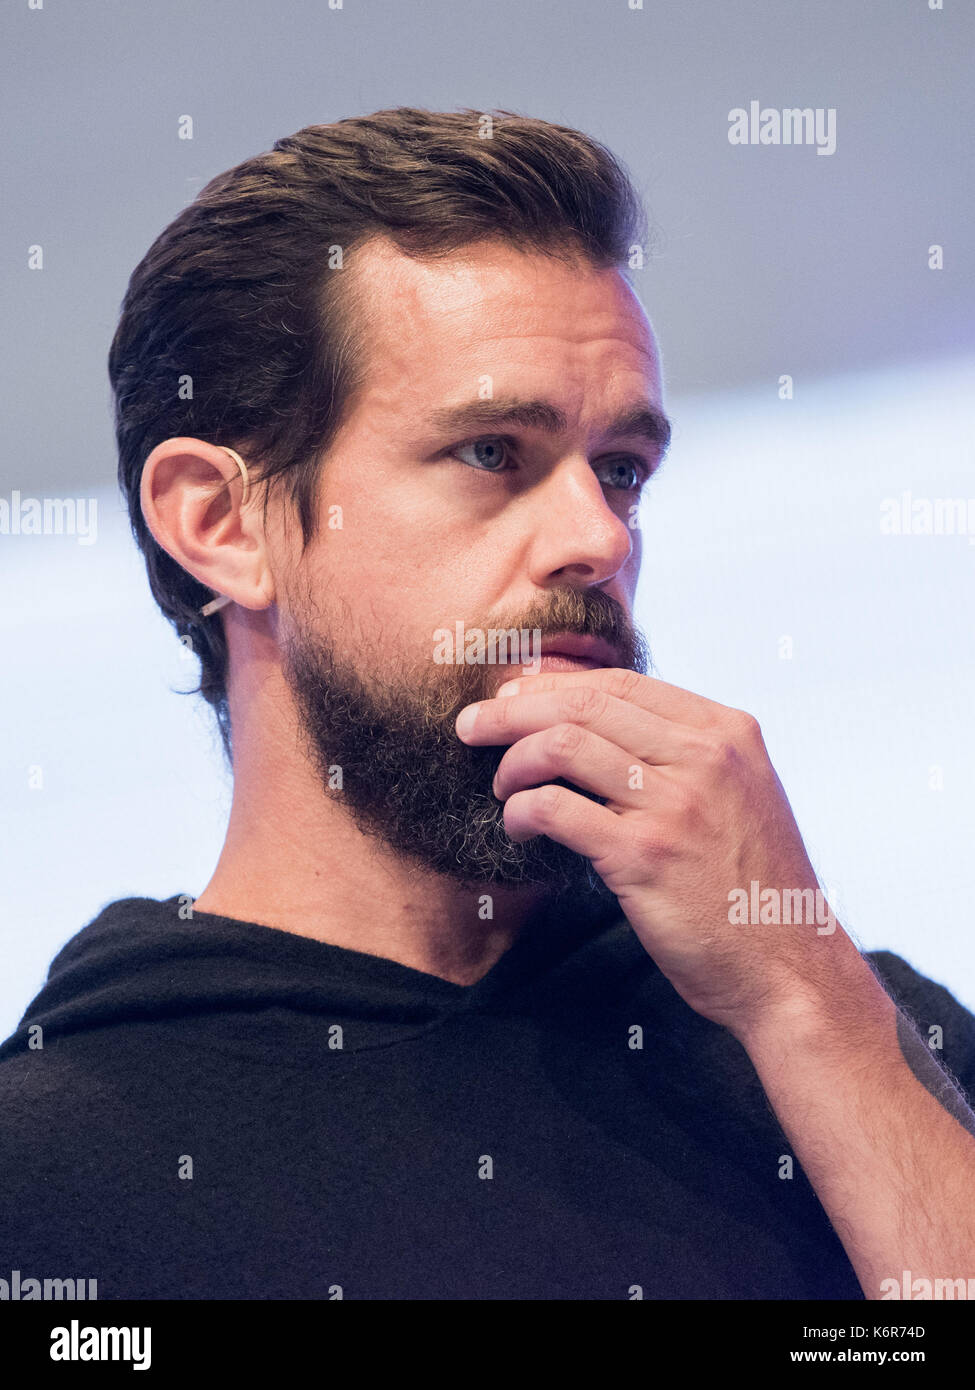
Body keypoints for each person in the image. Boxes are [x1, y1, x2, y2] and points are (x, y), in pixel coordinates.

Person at [2, 107, 973, 1301]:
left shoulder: (845, 1035)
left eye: (621, 469)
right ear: (222, 522)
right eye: (492, 453)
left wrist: (805, 997)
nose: (598, 537)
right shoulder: (51, 1182)